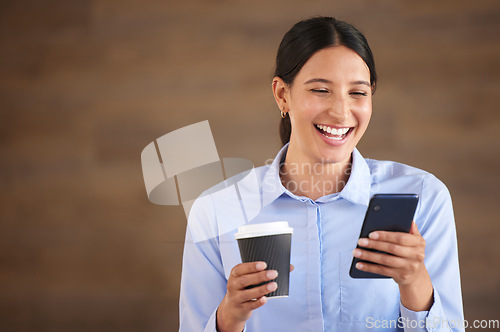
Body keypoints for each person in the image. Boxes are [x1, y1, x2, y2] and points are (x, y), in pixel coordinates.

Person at [179, 17, 464, 331]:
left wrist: (414, 281)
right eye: (320, 90)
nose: (341, 112)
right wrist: (229, 316)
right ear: (282, 95)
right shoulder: (217, 209)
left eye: (358, 93)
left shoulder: (424, 197)